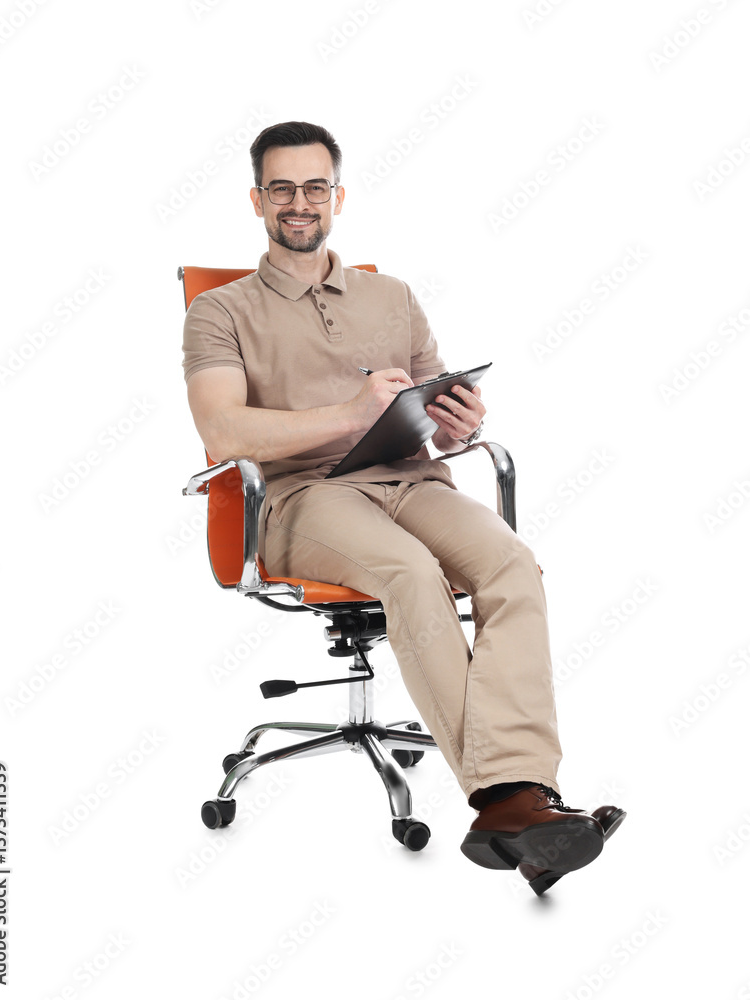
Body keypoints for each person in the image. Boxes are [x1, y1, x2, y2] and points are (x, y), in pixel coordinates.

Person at [182, 121, 624, 891]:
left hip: (411, 479)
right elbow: (222, 431)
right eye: (281, 188)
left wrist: (457, 422)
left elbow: (430, 402)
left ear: (337, 196)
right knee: (411, 573)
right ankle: (511, 802)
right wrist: (348, 414)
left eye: (314, 187)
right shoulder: (219, 310)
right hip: (302, 497)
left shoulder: (391, 296)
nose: (299, 202)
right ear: (256, 199)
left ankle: (523, 815)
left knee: (511, 564)